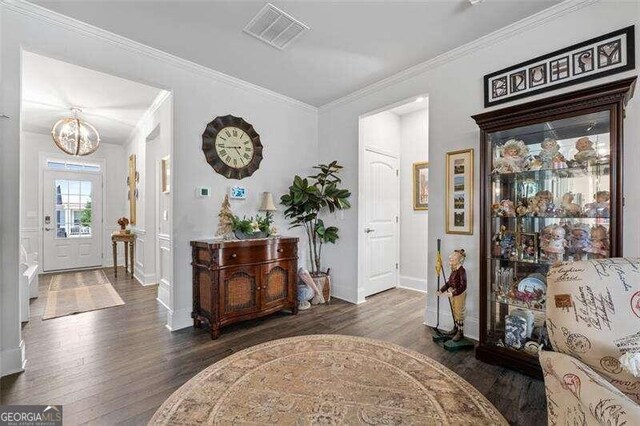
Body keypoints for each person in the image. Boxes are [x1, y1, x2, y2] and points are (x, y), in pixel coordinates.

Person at [437, 249, 467, 342]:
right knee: (454, 311)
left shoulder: (461, 271)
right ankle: (455, 328)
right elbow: (449, 282)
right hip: (452, 293)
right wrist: (441, 290)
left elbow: (463, 286)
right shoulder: (453, 270)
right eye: (450, 260)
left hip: (458, 294)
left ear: (458, 260)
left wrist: (453, 293)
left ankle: (460, 332)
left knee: (459, 313)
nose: (450, 262)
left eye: (452, 260)